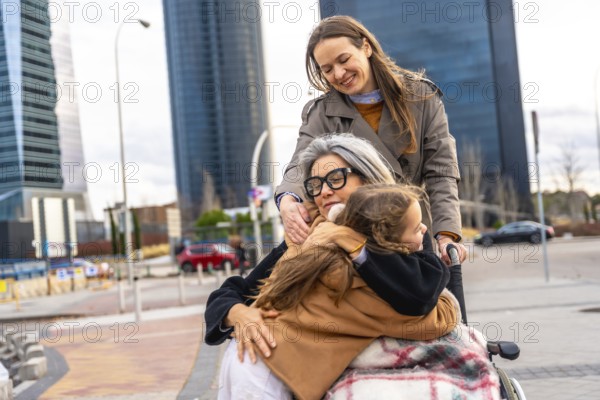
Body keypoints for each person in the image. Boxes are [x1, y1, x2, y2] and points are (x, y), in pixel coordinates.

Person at [208, 134, 453, 399]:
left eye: (336, 178)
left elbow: (420, 295)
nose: (324, 191)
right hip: (261, 370)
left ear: (369, 180)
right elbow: (232, 292)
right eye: (315, 184)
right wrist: (238, 314)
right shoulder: (305, 237)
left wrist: (348, 238)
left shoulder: (405, 230)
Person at [275, 15, 467, 264]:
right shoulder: (321, 114)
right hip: (359, 246)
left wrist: (447, 235)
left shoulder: (421, 98)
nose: (339, 74)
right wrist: (288, 200)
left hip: (416, 235)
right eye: (327, 69)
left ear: (366, 47)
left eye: (344, 60)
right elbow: (300, 165)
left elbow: (441, 173)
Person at [244, 184, 459, 399]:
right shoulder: (371, 291)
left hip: (252, 357)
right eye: (416, 228)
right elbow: (441, 315)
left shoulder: (325, 249)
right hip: (264, 376)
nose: (424, 229)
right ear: (387, 242)